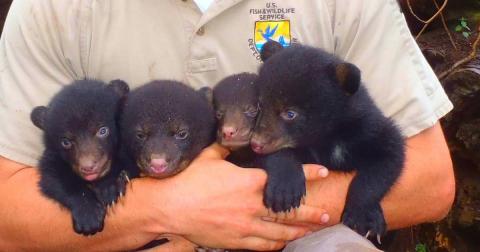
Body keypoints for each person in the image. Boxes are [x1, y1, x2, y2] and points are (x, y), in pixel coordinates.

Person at [0, 0, 455, 251]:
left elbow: (429, 181)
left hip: (306, 239)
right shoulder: (54, 9)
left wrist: (253, 209)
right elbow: (7, 214)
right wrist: (166, 208)